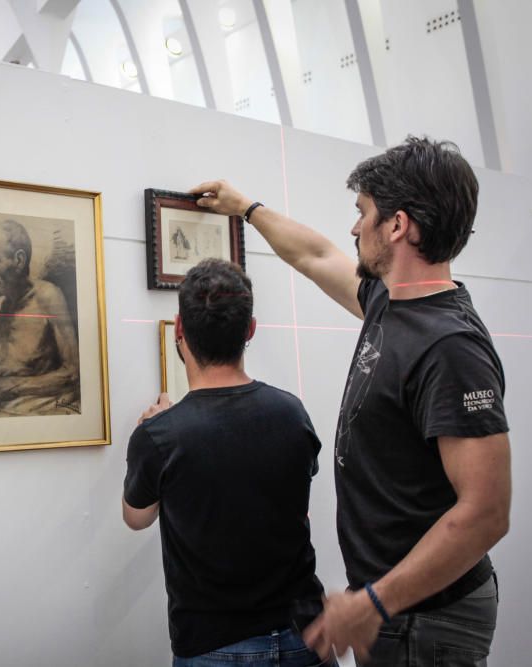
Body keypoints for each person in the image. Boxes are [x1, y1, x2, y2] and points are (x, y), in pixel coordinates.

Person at [190, 135, 511, 666]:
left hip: (424, 617)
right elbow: (316, 256)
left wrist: (375, 604)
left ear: (398, 225)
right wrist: (246, 208)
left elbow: (487, 512)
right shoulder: (389, 300)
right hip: (398, 609)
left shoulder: (450, 347)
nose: (355, 226)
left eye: (363, 213)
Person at [123, 258, 333, 666]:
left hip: (212, 646)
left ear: (180, 330)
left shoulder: (160, 436)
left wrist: (152, 434)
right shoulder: (292, 413)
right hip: (304, 634)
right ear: (250, 329)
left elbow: (137, 518)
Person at [0, 219, 80, 417]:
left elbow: (72, 372)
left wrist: (16, 387)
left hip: (41, 408)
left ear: (19, 260)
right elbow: (5, 368)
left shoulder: (48, 297)